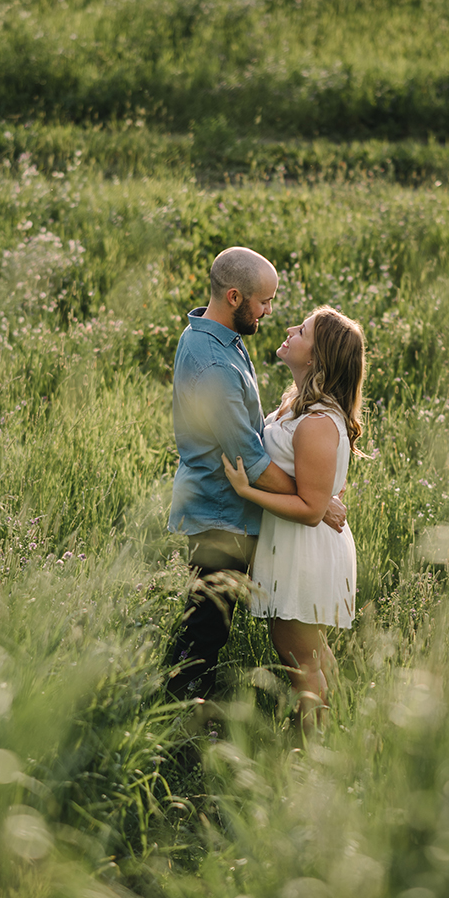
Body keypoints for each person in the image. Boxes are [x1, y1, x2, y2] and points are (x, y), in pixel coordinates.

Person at [165, 248, 346, 703]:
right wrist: (315, 503)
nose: (270, 311)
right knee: (204, 633)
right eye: (264, 301)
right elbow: (250, 461)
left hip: (228, 512)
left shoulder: (219, 337)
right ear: (233, 297)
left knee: (212, 625)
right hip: (219, 516)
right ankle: (177, 720)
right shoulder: (217, 367)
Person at [222, 305, 365, 732]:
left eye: (301, 330)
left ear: (316, 358)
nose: (288, 329)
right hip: (296, 546)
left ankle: (312, 744)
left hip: (307, 550)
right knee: (309, 648)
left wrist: (247, 489)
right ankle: (338, 724)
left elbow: (310, 510)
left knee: (297, 651)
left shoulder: (319, 422)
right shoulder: (299, 404)